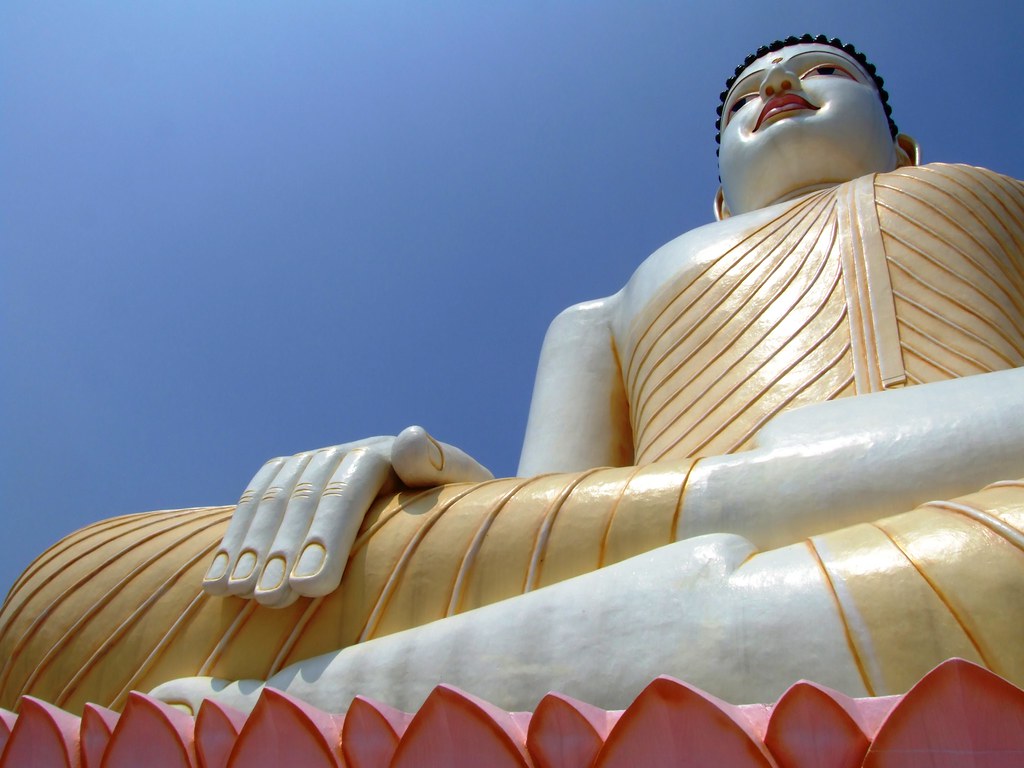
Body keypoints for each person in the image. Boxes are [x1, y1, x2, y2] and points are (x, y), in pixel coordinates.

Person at [2, 35, 1023, 716]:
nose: (777, 87)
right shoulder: (608, 311)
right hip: (660, 533)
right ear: (716, 204)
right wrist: (418, 490)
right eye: (745, 96)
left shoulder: (989, 198)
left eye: (820, 73)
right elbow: (548, 513)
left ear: (902, 147)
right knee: (71, 586)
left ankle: (316, 703)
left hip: (987, 502)